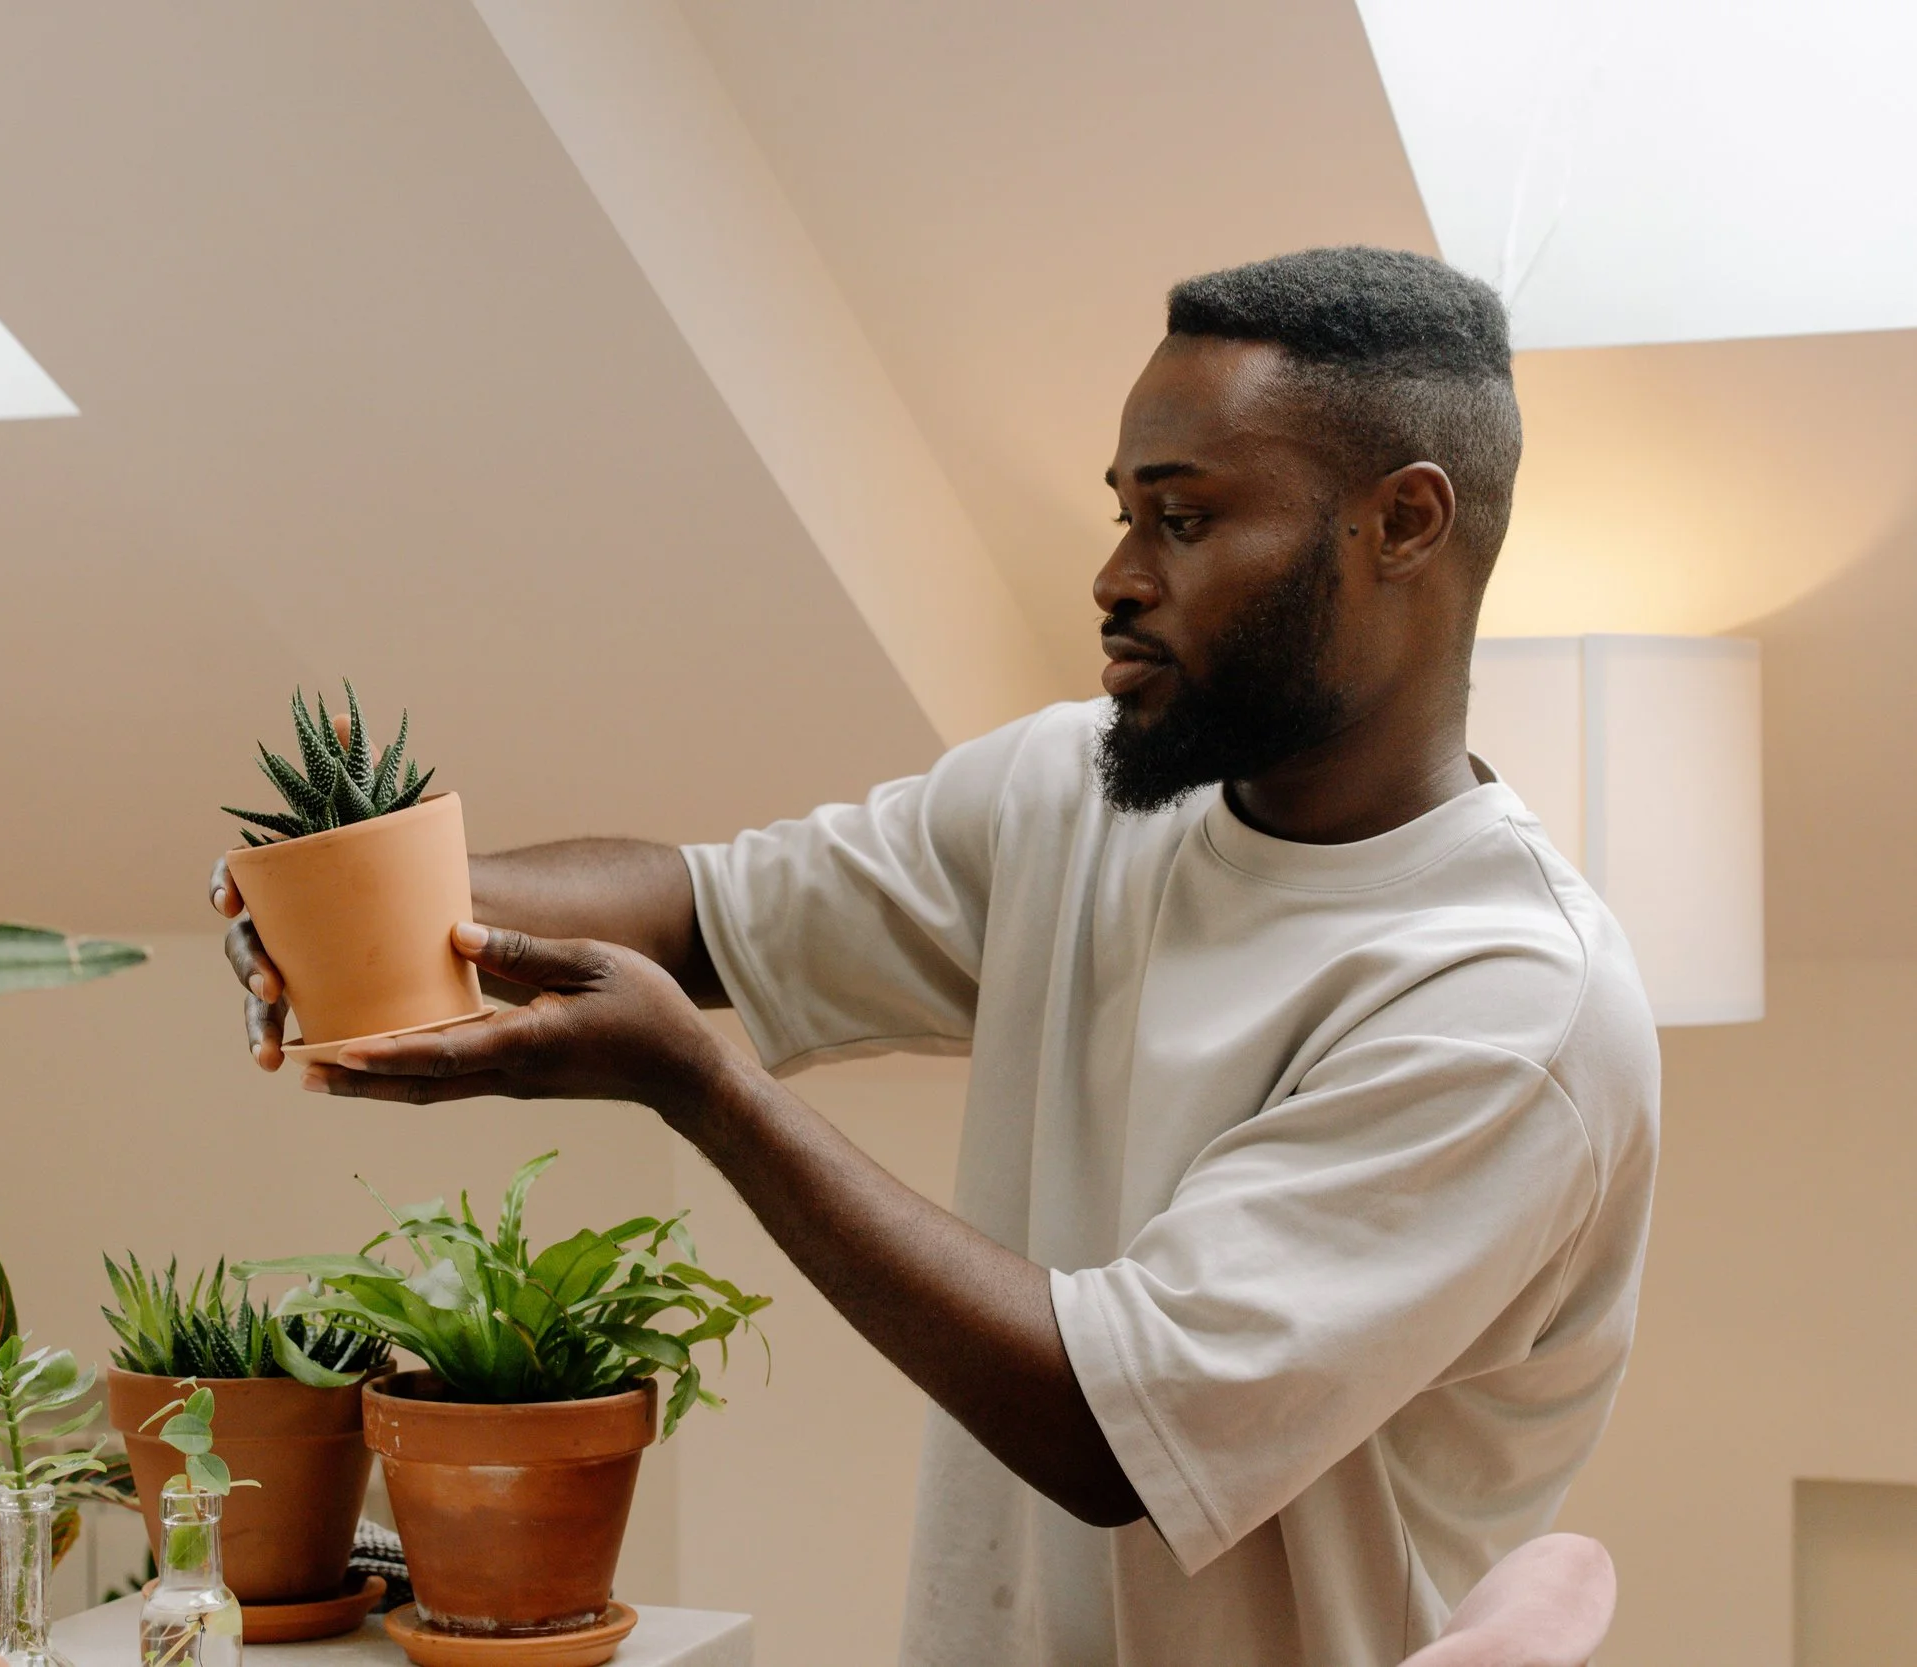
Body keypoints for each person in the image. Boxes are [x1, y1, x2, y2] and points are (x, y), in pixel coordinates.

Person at [210, 246, 1659, 1667]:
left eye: (1185, 519)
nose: (1116, 575)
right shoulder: (1073, 788)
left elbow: (1113, 1425)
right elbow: (708, 909)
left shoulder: (1508, 1007)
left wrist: (700, 1090)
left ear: (1404, 523)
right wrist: (361, 899)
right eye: (1123, 514)